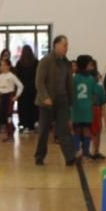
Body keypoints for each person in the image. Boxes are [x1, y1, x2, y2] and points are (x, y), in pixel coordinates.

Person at [34, 35, 75, 167]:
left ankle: (70, 157)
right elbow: (39, 81)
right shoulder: (46, 61)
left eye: (67, 45)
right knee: (44, 130)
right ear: (56, 45)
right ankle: (39, 156)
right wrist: (45, 96)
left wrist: (71, 100)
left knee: (64, 130)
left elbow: (69, 83)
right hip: (47, 101)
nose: (66, 48)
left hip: (62, 100)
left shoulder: (66, 63)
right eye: (64, 45)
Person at [71, 55, 106, 161]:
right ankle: (86, 153)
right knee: (87, 131)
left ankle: (77, 151)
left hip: (76, 109)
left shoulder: (74, 78)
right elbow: (97, 92)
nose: (91, 67)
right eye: (90, 64)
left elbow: (70, 93)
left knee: (76, 130)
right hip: (87, 110)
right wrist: (105, 98)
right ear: (86, 66)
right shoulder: (91, 79)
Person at [0, 58, 23, 142]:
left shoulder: (11, 76)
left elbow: (20, 86)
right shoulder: (0, 76)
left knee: (8, 117)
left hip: (9, 98)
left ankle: (11, 136)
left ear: (8, 66)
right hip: (2, 97)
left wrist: (17, 96)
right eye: (1, 65)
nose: (2, 67)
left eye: (4, 65)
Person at [14, 45, 39, 133]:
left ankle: (23, 125)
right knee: (33, 108)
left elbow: (17, 77)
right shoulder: (36, 62)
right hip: (33, 89)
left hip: (23, 89)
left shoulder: (19, 63)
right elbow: (38, 76)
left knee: (23, 108)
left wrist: (16, 90)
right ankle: (32, 125)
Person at [86, 58, 106, 160]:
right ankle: (95, 151)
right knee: (96, 131)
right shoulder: (97, 84)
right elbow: (103, 99)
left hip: (86, 109)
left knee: (88, 131)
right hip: (95, 109)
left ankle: (88, 152)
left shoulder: (80, 80)